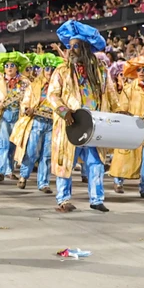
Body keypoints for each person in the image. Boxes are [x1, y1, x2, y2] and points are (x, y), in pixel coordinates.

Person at [49, 20, 113, 214]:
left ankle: (96, 199)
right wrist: (63, 111)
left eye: (75, 46)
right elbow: (52, 95)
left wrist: (119, 113)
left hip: (95, 123)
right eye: (70, 46)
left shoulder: (100, 70)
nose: (71, 50)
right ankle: (63, 199)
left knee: (95, 162)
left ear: (85, 47)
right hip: (71, 124)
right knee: (66, 161)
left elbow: (110, 93)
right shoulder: (62, 70)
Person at [110, 55, 144, 199]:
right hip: (132, 125)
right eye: (139, 69)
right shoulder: (129, 89)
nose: (141, 72)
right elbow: (122, 108)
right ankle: (118, 180)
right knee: (124, 155)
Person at [11, 53, 59, 194]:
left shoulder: (59, 88)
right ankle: (23, 176)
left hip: (52, 124)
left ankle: (43, 183)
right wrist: (27, 109)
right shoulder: (35, 85)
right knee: (31, 151)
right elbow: (25, 102)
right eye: (47, 68)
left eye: (52, 68)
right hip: (37, 122)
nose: (49, 71)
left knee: (47, 154)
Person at [0, 52, 30, 182]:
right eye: (6, 65)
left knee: (14, 144)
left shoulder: (25, 82)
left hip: (18, 115)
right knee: (2, 144)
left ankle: (10, 170)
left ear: (17, 67)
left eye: (12, 65)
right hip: (2, 115)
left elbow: (30, 98)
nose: (9, 67)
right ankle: (1, 170)